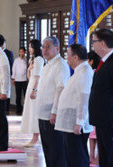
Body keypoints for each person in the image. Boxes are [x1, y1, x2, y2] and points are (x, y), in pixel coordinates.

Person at [88, 28, 113, 167]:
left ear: (102, 43)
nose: (93, 45)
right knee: (104, 156)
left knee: (110, 156)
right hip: (101, 120)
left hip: (109, 120)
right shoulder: (103, 62)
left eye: (94, 42)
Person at [54, 44, 93, 167]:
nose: (67, 58)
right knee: (72, 156)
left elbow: (84, 97)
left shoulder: (85, 72)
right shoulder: (79, 71)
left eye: (68, 55)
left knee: (78, 157)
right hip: (71, 122)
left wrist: (79, 122)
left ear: (75, 57)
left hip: (76, 123)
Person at [36, 36, 70, 167]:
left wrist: (55, 111)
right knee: (48, 149)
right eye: (43, 47)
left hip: (52, 114)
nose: (44, 50)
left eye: (48, 47)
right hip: (43, 113)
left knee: (56, 151)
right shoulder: (47, 65)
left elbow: (61, 89)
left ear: (57, 48)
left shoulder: (60, 65)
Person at [20, 40, 45, 147]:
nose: (29, 49)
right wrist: (29, 70)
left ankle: (35, 138)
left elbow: (38, 77)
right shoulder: (33, 59)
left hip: (36, 87)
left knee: (35, 112)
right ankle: (34, 137)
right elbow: (30, 77)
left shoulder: (39, 60)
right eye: (29, 47)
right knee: (31, 111)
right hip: (31, 84)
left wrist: (34, 90)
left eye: (31, 47)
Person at [87, 50, 101, 165]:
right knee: (92, 135)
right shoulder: (91, 72)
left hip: (95, 107)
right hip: (91, 107)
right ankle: (92, 156)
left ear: (91, 61)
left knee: (96, 135)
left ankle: (96, 157)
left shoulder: (95, 73)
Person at [11, 47, 28, 115]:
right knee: (18, 95)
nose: (21, 53)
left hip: (24, 80)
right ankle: (18, 109)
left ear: (24, 52)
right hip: (17, 80)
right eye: (20, 51)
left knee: (25, 95)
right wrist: (13, 79)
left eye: (22, 52)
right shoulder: (16, 60)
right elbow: (14, 69)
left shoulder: (26, 60)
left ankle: (26, 109)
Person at [2, 40, 14, 113]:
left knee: (6, 91)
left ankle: (7, 109)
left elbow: (11, 63)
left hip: (7, 74)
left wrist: (11, 75)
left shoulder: (8, 52)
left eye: (4, 43)